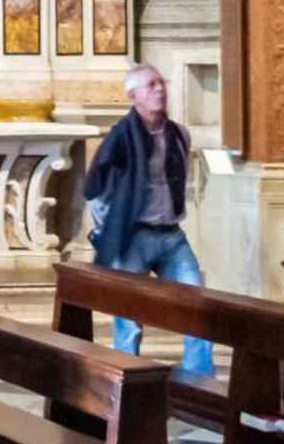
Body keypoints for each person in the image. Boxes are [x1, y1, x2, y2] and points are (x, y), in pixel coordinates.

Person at [84, 64, 214, 376]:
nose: (159, 89)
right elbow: (94, 188)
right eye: (150, 85)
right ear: (133, 97)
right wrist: (110, 229)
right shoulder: (119, 138)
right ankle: (127, 379)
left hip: (171, 234)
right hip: (134, 239)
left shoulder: (179, 134)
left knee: (198, 304)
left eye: (161, 83)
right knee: (129, 317)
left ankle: (198, 378)